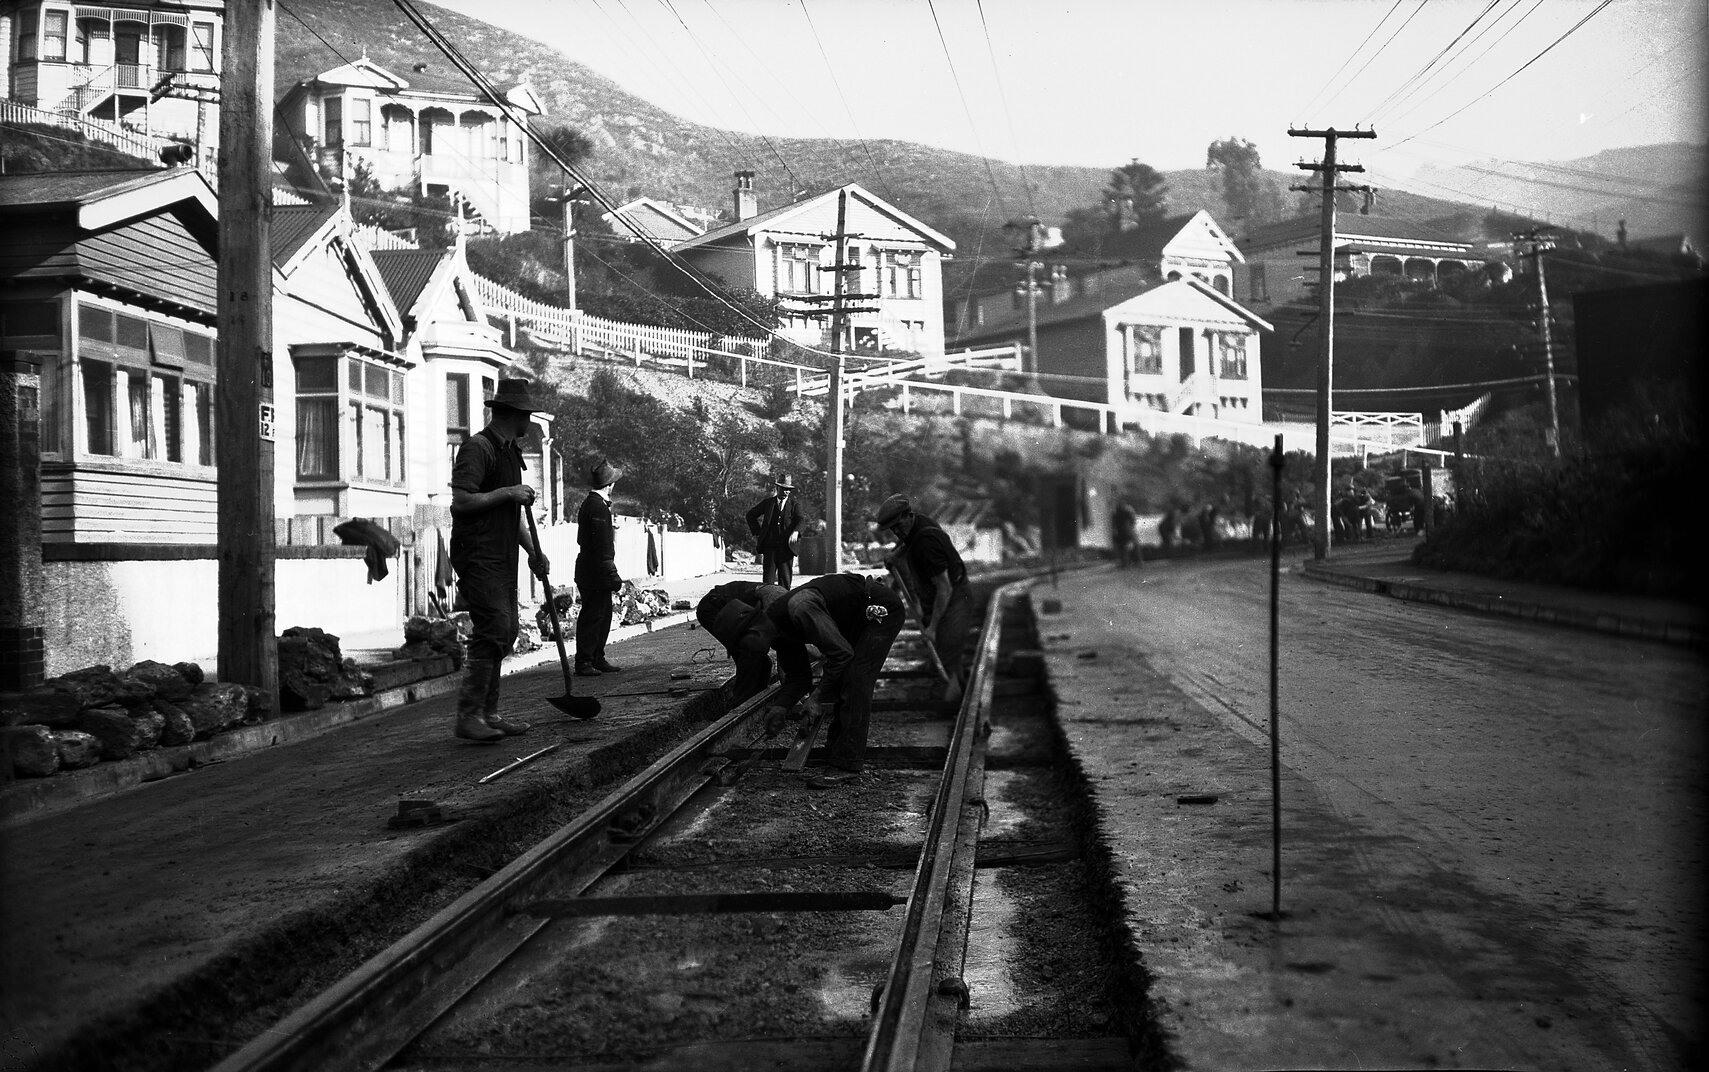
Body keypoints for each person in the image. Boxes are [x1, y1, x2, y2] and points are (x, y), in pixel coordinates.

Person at [700, 572, 905, 789]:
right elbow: (800, 677)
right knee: (844, 675)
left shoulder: (799, 609)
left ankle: (846, 766)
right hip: (855, 619)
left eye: (744, 646)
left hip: (878, 609)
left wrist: (816, 699)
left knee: (856, 677)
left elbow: (842, 655)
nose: (747, 653)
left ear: (753, 631)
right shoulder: (778, 631)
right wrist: (781, 707)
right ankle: (836, 752)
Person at [447, 378, 550, 743]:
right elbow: (461, 501)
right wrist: (508, 491)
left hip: (502, 553)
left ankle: (488, 713)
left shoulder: (510, 452)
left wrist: (533, 552)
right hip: (478, 553)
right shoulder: (479, 448)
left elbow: (512, 513)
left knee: (506, 632)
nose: (528, 422)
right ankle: (469, 715)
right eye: (526, 415)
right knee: (492, 628)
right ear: (514, 415)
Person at [873, 494, 971, 703]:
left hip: (953, 598)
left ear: (908, 516)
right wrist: (896, 554)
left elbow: (944, 588)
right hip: (945, 595)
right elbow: (908, 541)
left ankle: (951, 702)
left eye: (898, 526)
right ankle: (959, 690)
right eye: (893, 529)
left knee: (946, 653)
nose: (897, 532)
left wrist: (932, 627)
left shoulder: (926, 544)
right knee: (947, 651)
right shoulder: (918, 523)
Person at [573, 460, 623, 676]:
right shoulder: (597, 507)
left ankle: (596, 657)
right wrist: (611, 572)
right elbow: (602, 546)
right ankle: (585, 661)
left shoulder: (592, 504)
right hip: (595, 571)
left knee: (602, 615)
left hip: (591, 569)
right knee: (593, 616)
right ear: (609, 485)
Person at [745, 472, 803, 587]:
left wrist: (796, 532)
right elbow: (750, 515)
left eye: (788, 489)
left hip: (786, 548)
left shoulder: (794, 505)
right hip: (769, 548)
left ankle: (783, 603)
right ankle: (767, 603)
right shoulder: (768, 503)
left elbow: (801, 520)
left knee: (785, 581)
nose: (786, 492)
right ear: (777, 488)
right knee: (767, 582)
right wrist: (757, 532)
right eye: (783, 489)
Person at [1112, 501, 1141, 568]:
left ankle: (1126, 563)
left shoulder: (1117, 514)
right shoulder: (1127, 511)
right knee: (1132, 545)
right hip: (1127, 530)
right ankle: (1136, 562)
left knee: (1124, 547)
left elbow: (1115, 524)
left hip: (1122, 531)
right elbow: (1133, 520)